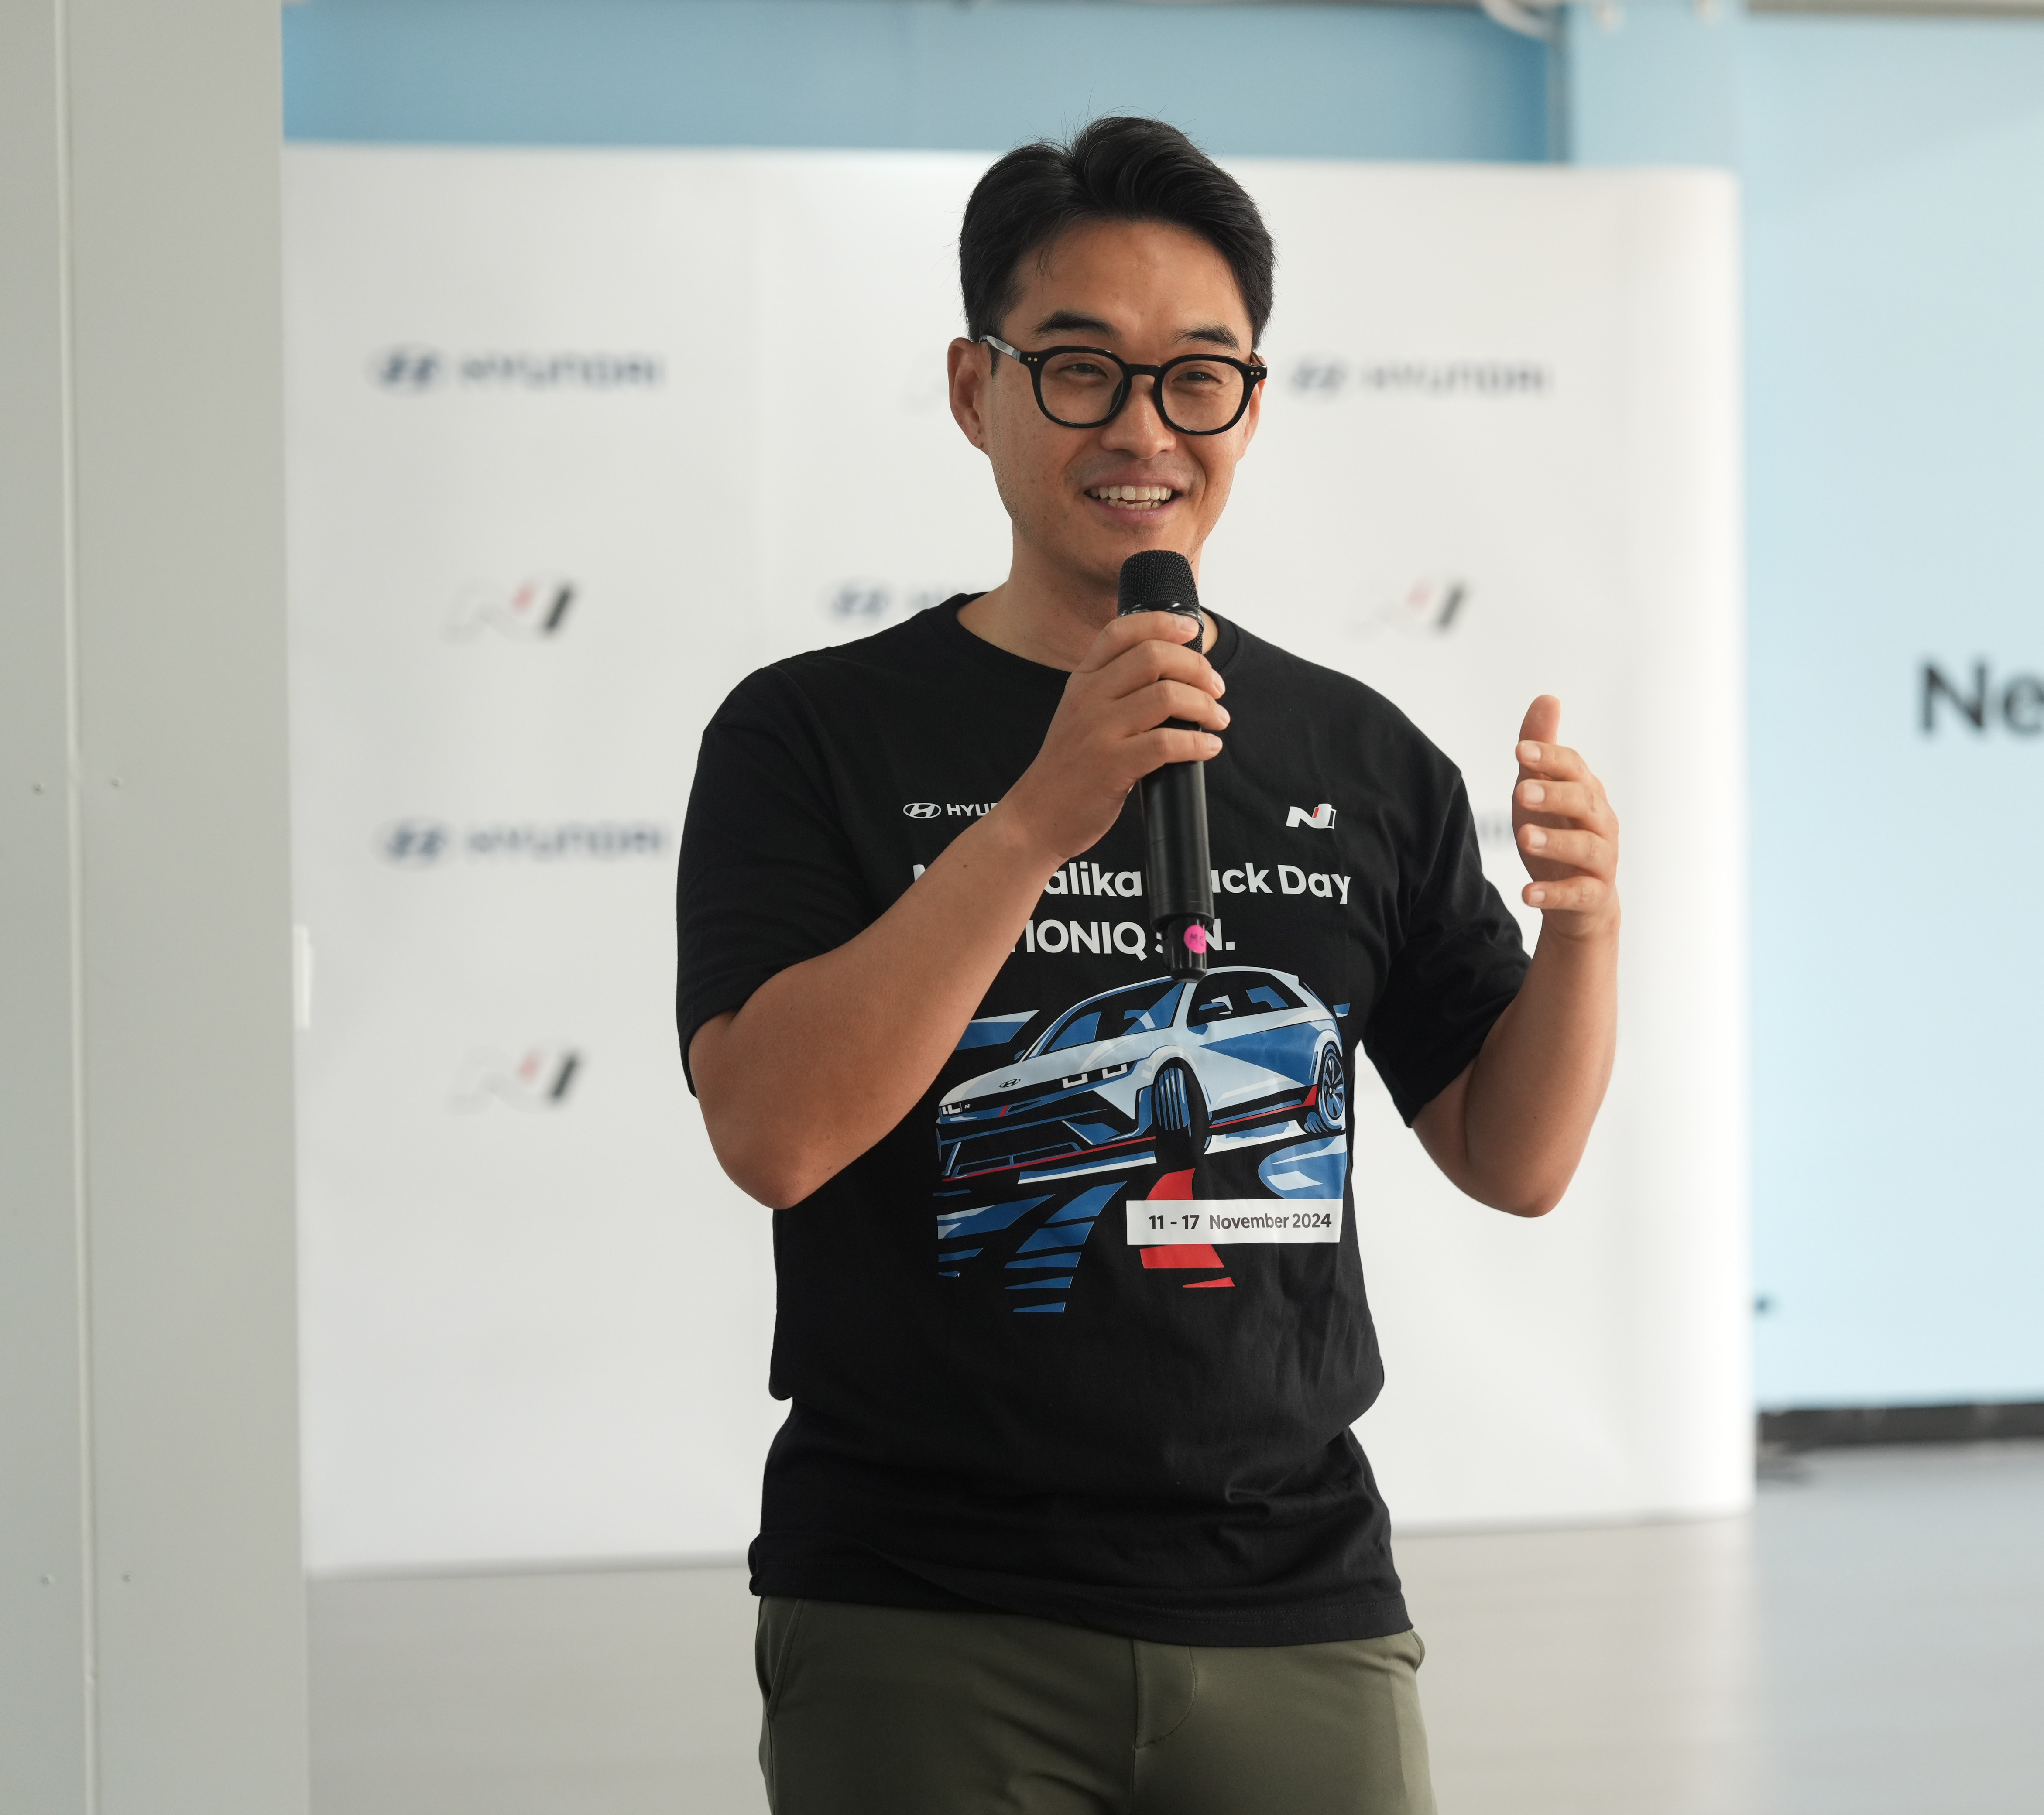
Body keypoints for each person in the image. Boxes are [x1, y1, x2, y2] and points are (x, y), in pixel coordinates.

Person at [675, 115, 1620, 1815]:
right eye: (1080, 370)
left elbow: (1514, 1154)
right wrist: (1041, 814)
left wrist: (1589, 928)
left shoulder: (1358, 752)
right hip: (920, 1603)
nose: (1142, 428)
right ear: (975, 387)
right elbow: (775, 1132)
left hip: (1296, 1599)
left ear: (1250, 402)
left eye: (1197, 377)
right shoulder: (808, 732)